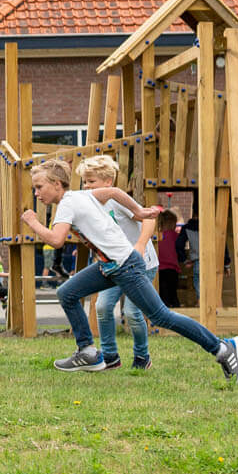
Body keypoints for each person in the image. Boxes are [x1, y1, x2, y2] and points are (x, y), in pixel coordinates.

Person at [20, 159, 238, 383]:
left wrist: (33, 222)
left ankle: (222, 348)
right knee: (67, 293)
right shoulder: (81, 196)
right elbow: (114, 192)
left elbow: (57, 240)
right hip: (110, 266)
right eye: (35, 188)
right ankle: (87, 352)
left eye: (39, 187)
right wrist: (138, 211)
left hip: (126, 266)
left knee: (161, 316)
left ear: (58, 184)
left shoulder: (68, 204)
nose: (36, 193)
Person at [77, 155, 158, 371]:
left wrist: (140, 245)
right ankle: (110, 356)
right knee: (102, 306)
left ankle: (142, 357)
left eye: (91, 182)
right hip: (114, 266)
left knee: (132, 312)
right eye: (84, 182)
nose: (86, 186)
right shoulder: (88, 207)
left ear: (108, 183)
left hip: (141, 264)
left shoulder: (116, 201)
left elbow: (149, 219)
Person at [154, 210, 186, 306]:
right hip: (172, 269)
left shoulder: (158, 236)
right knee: (172, 291)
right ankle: (176, 307)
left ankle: (165, 309)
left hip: (159, 269)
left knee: (163, 292)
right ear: (172, 224)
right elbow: (180, 248)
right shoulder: (174, 235)